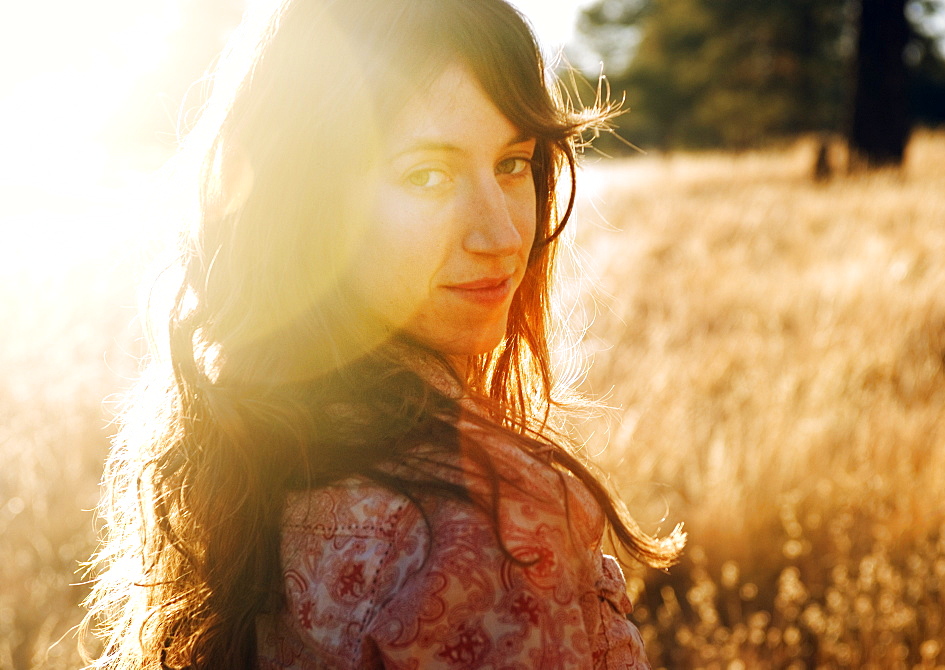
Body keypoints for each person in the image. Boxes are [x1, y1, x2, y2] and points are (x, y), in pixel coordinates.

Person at [82, 0, 685, 668]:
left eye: (513, 163)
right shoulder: (487, 524)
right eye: (427, 175)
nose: (503, 234)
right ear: (310, 201)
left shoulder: (252, 435)